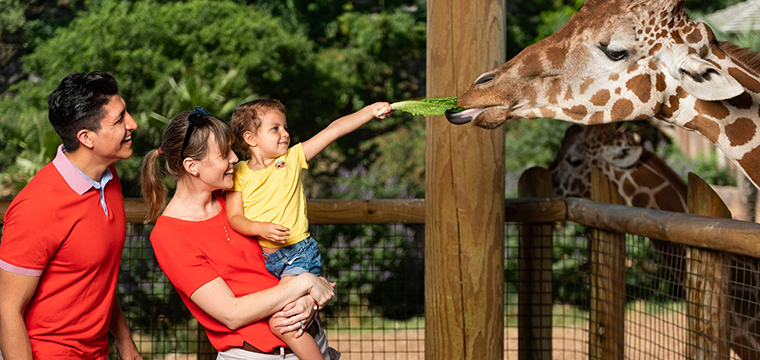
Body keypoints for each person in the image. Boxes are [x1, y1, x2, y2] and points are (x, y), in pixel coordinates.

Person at [141, 107, 337, 359]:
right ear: (192, 166)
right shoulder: (169, 235)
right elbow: (231, 313)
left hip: (311, 339)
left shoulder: (236, 198)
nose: (235, 158)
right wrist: (307, 284)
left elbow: (293, 252)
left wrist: (309, 300)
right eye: (224, 153)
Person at [225, 99, 392, 359]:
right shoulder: (238, 174)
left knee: (283, 324)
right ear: (250, 138)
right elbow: (235, 217)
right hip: (264, 260)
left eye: (285, 127)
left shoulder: (291, 159)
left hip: (298, 255)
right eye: (275, 128)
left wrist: (369, 111)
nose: (285, 133)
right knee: (291, 316)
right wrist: (260, 228)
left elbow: (333, 130)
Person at [0, 72, 142, 359]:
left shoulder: (108, 178)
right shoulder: (37, 207)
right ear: (87, 138)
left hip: (97, 352)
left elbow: (94, 276)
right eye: (119, 120)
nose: (132, 124)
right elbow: (7, 309)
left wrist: (125, 342)